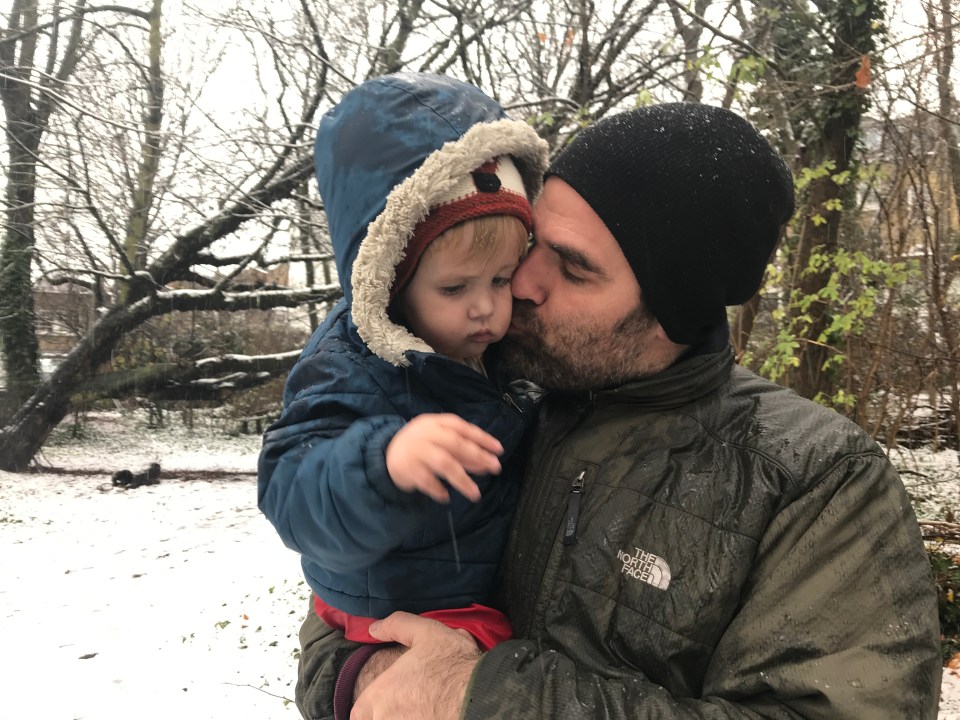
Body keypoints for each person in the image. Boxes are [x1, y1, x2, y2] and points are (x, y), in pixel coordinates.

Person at [294, 98, 943, 719]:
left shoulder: (814, 479)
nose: (520, 284)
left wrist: (483, 701)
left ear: (675, 311)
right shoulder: (478, 390)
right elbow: (348, 594)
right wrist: (368, 676)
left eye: (573, 270)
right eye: (530, 244)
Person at [257, 72, 550, 717]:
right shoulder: (350, 366)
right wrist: (382, 464)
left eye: (502, 279)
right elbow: (289, 490)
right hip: (396, 609)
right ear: (389, 282)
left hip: (468, 586)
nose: (485, 308)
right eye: (455, 288)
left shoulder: (495, 353)